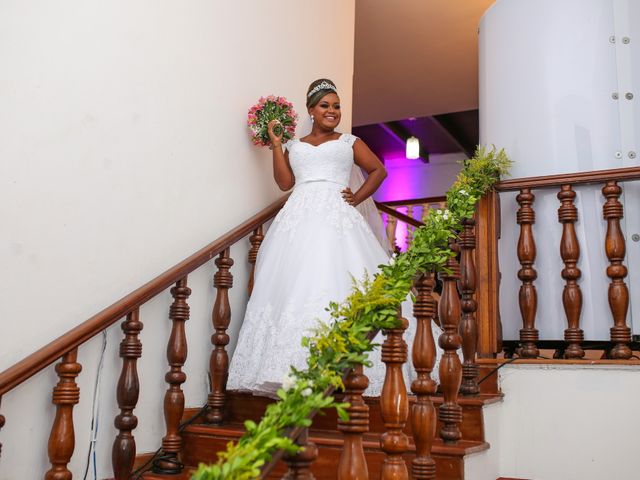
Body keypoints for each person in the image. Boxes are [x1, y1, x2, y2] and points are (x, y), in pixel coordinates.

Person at [227, 79, 440, 396]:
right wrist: (275, 144)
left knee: (340, 277)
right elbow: (285, 183)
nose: (332, 111)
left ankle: (350, 369)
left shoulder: (348, 142)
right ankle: (289, 367)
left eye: (337, 105)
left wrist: (356, 196)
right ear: (311, 110)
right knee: (296, 283)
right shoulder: (294, 146)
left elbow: (378, 171)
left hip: (337, 218)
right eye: (325, 105)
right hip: (297, 219)